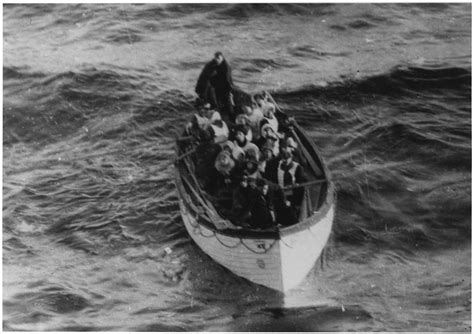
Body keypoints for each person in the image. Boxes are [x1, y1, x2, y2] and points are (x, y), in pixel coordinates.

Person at [195, 52, 234, 120]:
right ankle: (215, 110)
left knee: (227, 102)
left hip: (224, 86)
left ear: (222, 58)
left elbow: (228, 81)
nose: (217, 60)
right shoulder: (211, 64)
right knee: (212, 98)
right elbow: (204, 75)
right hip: (215, 84)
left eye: (218, 58)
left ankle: (231, 117)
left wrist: (230, 91)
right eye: (216, 58)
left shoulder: (226, 67)